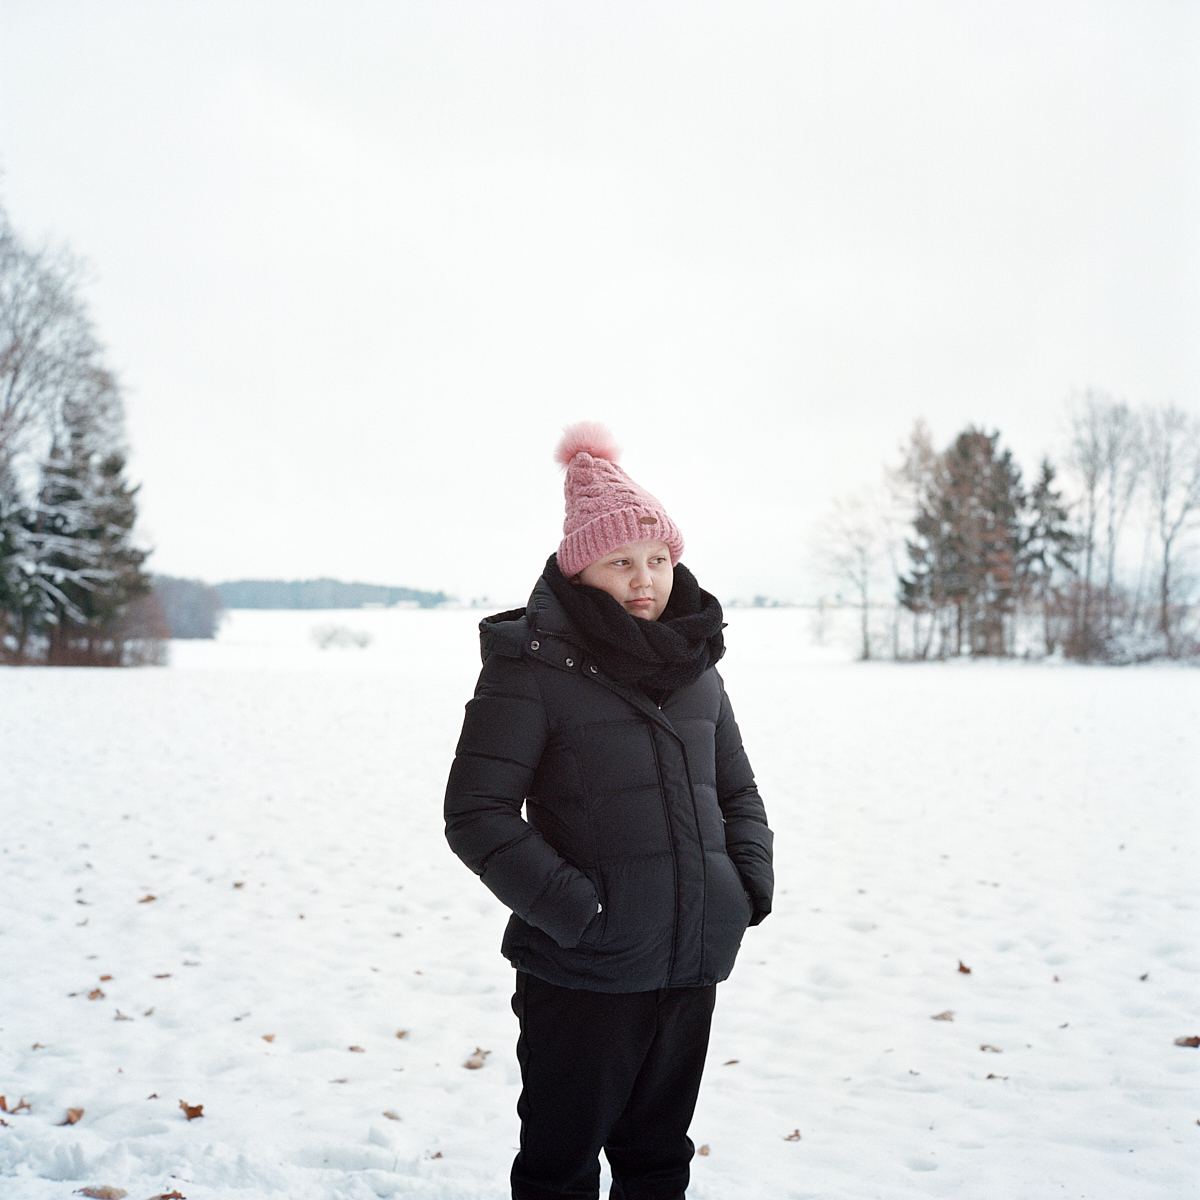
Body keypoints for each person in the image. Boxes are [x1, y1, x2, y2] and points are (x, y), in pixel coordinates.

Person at [444, 422, 773, 1200]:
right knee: (561, 1165)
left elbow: (739, 794)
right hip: (583, 972)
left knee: (659, 1158)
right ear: (579, 568)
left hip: (689, 961)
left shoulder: (697, 671)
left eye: (657, 560)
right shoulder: (531, 668)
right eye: (621, 561)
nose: (644, 580)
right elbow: (476, 811)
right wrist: (580, 910)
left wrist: (744, 888)